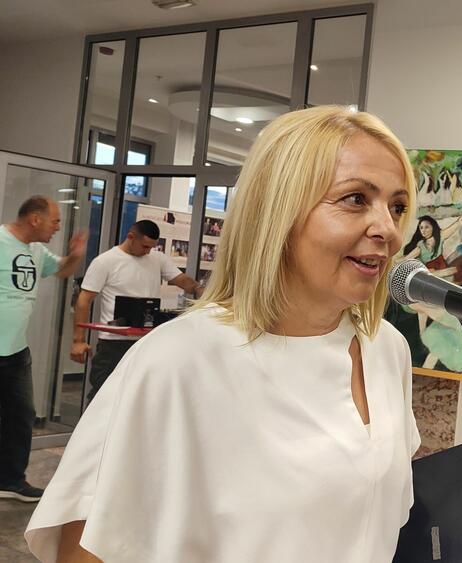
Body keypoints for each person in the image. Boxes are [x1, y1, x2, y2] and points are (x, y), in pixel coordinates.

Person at [25, 105, 421, 562]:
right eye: (355, 199)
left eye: (397, 207)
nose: (389, 230)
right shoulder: (178, 361)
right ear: (277, 210)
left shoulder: (387, 348)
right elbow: (91, 548)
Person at [0, 196, 86, 502]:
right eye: (55, 220)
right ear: (35, 219)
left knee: (22, 415)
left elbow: (62, 270)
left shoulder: (36, 251)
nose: (58, 227)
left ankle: (10, 480)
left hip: (15, 351)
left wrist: (75, 256)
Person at [70, 220, 202, 400]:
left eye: (151, 247)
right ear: (131, 237)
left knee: (139, 398)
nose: (148, 251)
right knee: (104, 396)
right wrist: (78, 340)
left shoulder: (157, 259)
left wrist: (199, 289)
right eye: (145, 246)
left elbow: (183, 280)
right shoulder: (105, 262)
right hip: (113, 344)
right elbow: (84, 301)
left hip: (146, 342)